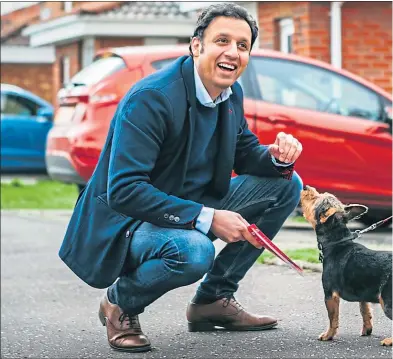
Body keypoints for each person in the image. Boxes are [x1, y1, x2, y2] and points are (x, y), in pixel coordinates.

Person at [59, 2, 303, 353]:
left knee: (285, 184)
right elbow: (125, 190)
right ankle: (120, 303)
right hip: (128, 220)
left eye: (242, 45)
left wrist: (276, 157)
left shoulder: (230, 93)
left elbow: (245, 153)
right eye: (222, 40)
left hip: (189, 203)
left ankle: (213, 299)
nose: (232, 52)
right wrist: (208, 218)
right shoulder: (151, 99)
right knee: (193, 250)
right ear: (196, 46)